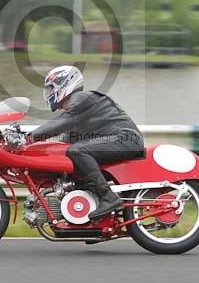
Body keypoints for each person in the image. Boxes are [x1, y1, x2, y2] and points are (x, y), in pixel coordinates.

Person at [26, 65, 145, 220]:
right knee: (70, 155)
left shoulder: (81, 99)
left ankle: (108, 198)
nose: (50, 93)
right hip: (117, 140)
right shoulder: (76, 111)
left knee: (78, 151)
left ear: (65, 84)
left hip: (125, 138)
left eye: (52, 88)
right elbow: (64, 143)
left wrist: (28, 138)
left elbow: (60, 123)